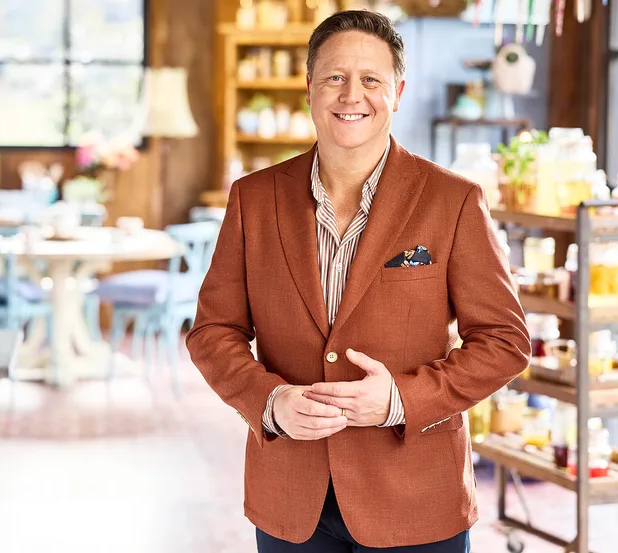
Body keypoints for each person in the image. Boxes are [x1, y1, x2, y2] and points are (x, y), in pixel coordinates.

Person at [186, 9, 530, 553]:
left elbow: (505, 343)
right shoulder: (252, 199)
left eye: (370, 79)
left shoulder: (454, 201)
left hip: (416, 501)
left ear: (397, 91)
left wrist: (399, 399)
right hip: (289, 502)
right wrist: (270, 402)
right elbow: (211, 332)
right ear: (309, 89)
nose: (352, 95)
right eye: (334, 78)